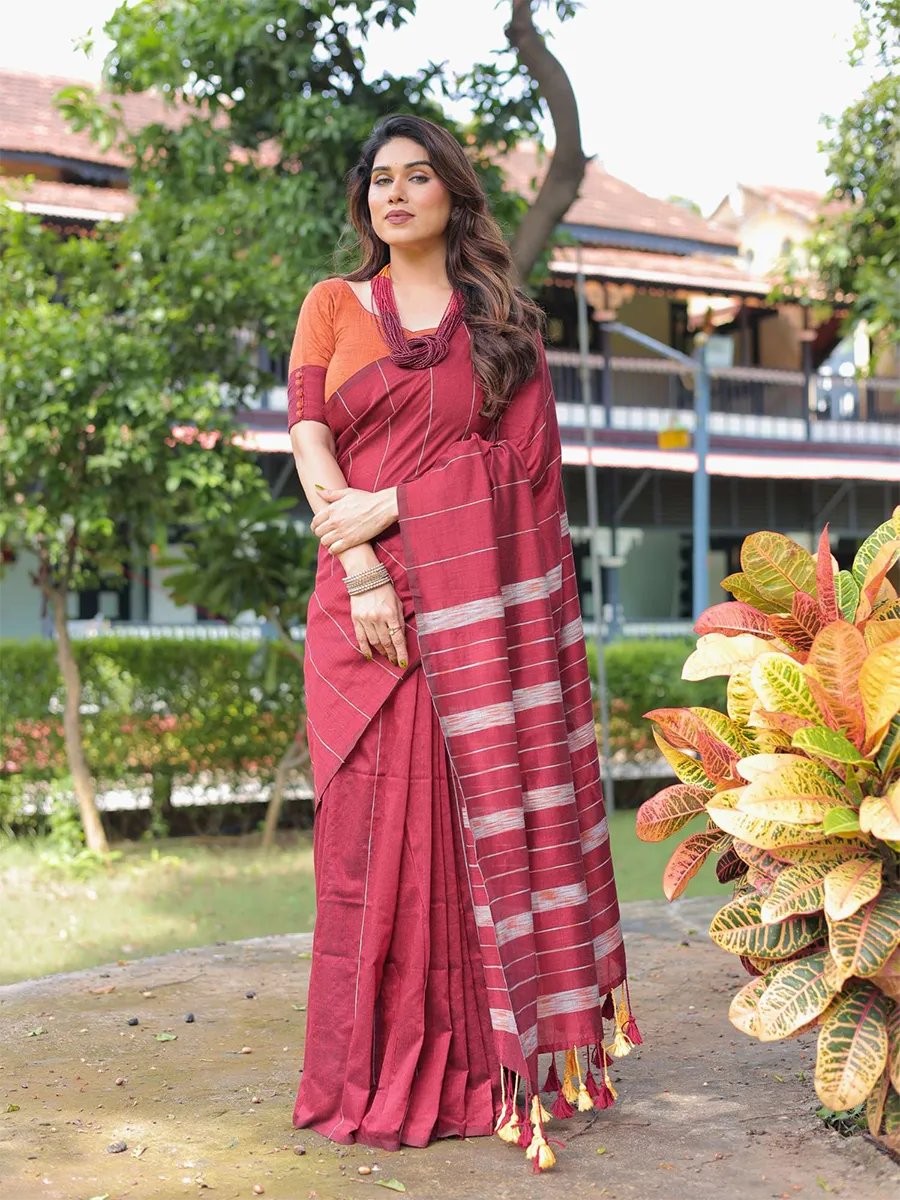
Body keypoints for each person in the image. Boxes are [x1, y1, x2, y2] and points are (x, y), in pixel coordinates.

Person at [287, 114, 637, 1169]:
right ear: (365, 203)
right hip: (363, 613)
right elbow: (309, 436)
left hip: (475, 622)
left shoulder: (506, 333)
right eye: (379, 180)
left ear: (452, 196)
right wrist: (359, 563)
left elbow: (523, 486)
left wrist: (396, 500)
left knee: (468, 840)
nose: (394, 194)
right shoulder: (331, 306)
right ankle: (370, 1069)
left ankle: (488, 1065)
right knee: (365, 847)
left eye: (417, 177)